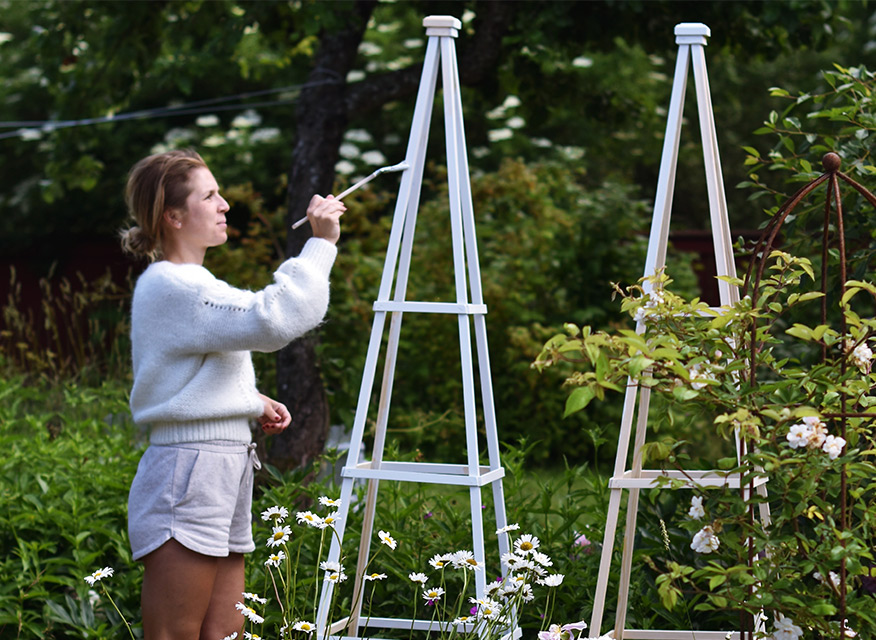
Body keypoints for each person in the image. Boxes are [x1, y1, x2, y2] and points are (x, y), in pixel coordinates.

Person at [119, 148, 345, 640]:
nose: (225, 205)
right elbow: (272, 318)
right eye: (210, 195)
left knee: (225, 634)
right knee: (174, 635)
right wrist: (321, 243)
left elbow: (190, 366)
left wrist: (250, 399)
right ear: (172, 215)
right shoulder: (172, 285)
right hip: (189, 471)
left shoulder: (193, 283)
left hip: (220, 464)